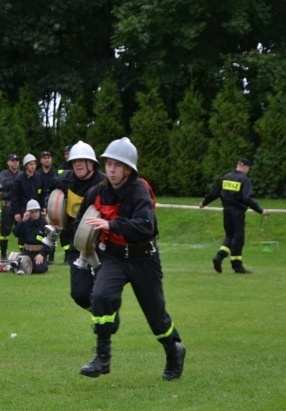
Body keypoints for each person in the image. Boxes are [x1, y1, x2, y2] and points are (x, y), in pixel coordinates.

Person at [74, 137, 186, 381]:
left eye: (117, 165)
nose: (112, 170)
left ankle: (174, 350)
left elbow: (145, 227)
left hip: (143, 258)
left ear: (128, 169)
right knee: (101, 296)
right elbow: (81, 222)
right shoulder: (97, 192)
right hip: (113, 257)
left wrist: (111, 224)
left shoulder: (139, 191)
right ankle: (102, 358)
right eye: (109, 164)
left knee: (157, 318)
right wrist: (80, 233)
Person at [56, 141, 106, 308]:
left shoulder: (104, 183)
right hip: (77, 243)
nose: (77, 164)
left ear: (91, 163)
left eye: (81, 160)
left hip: (103, 246)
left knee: (103, 292)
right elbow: (49, 186)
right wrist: (50, 208)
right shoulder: (65, 180)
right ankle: (100, 312)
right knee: (79, 294)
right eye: (74, 161)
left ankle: (107, 317)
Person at [199, 157, 270, 274]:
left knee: (230, 236)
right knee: (238, 238)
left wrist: (204, 203)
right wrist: (261, 211)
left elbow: (214, 193)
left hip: (226, 210)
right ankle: (237, 266)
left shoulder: (226, 177)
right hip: (237, 212)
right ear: (245, 167)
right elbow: (247, 198)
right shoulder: (244, 180)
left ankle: (219, 257)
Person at [13, 199, 51, 274]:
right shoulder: (25, 222)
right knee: (15, 267)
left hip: (38, 253)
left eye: (36, 211)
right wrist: (22, 221)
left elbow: (50, 242)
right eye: (32, 212)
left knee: (39, 269)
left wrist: (42, 254)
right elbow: (16, 233)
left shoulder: (44, 223)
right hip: (26, 252)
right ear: (28, 212)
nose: (34, 214)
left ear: (39, 211)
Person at [0, 154, 21, 258]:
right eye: (12, 160)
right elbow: (5, 185)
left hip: (19, 206)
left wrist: (13, 184)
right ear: (8, 162)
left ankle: (24, 253)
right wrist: (18, 183)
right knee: (5, 231)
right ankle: (3, 254)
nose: (15, 162)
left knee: (21, 229)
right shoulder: (4, 174)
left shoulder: (21, 174)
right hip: (7, 206)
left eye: (16, 160)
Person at [12, 153, 44, 222]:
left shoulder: (39, 177)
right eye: (30, 164)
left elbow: (42, 194)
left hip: (37, 209)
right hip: (24, 209)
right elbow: (15, 197)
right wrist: (16, 212)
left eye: (34, 164)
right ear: (26, 166)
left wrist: (43, 207)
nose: (33, 166)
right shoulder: (19, 179)